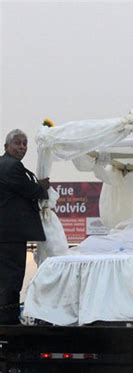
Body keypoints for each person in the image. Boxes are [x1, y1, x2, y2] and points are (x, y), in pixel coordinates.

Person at [0, 129, 49, 324]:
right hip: (10, 234)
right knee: (12, 277)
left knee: (8, 276)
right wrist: (42, 186)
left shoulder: (7, 165)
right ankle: (8, 316)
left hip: (7, 234)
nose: (22, 147)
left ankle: (7, 314)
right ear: (6, 147)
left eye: (25, 144)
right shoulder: (10, 167)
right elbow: (31, 191)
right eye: (17, 143)